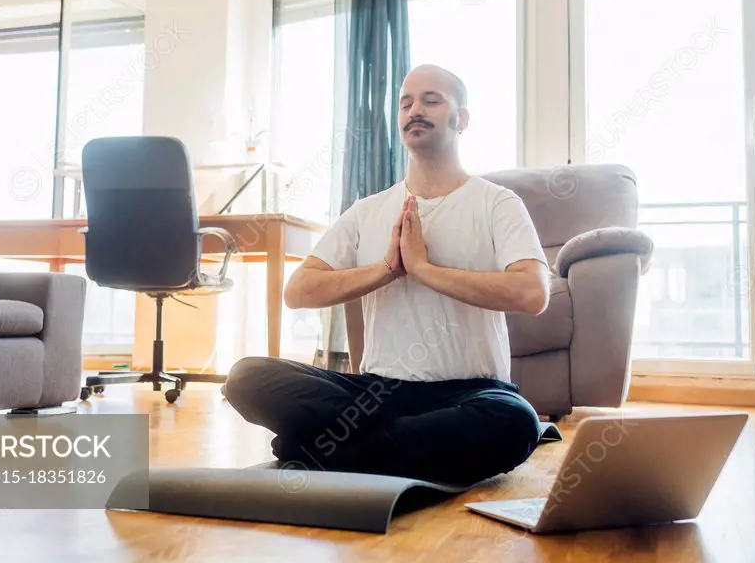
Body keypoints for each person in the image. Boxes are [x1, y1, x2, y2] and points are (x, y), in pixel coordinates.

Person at [222, 64, 551, 486]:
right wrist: (386, 271)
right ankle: (389, 450)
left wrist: (426, 270)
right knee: (247, 377)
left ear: (461, 119)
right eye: (406, 102)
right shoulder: (367, 211)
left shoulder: (497, 203)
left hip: (470, 393)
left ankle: (315, 450)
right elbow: (298, 290)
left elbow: (531, 293)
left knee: (516, 421)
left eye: (431, 100)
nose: (415, 109)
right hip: (375, 396)